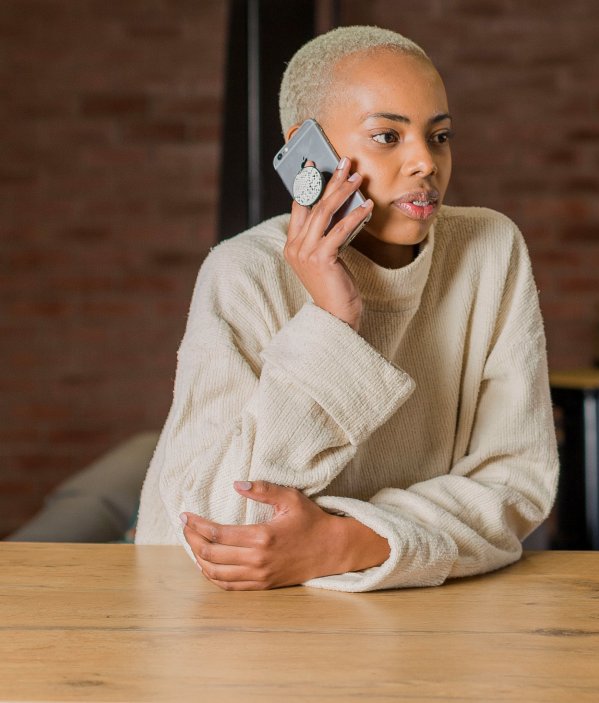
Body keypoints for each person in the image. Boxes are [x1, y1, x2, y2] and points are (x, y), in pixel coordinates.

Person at [135, 25, 559, 592]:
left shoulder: (490, 249)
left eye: (440, 136)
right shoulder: (244, 271)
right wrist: (332, 321)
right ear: (306, 149)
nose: (425, 164)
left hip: (400, 613)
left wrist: (347, 543)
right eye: (387, 136)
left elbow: (515, 483)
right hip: (207, 616)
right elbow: (224, 528)